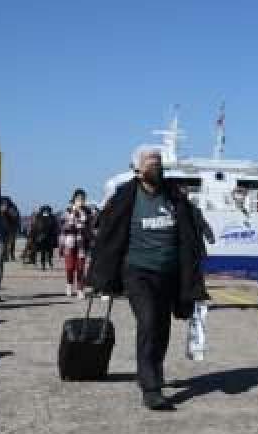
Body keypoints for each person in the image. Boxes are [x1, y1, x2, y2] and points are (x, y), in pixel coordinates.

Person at [88, 145, 209, 411]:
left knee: (162, 328)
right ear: (137, 169)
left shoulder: (174, 195)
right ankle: (151, 388)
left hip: (169, 273)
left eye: (158, 161)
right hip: (137, 271)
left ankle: (153, 369)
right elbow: (106, 233)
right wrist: (100, 276)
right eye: (149, 161)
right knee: (148, 321)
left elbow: (190, 228)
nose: (155, 164)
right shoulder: (125, 197)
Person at [60, 189, 94, 297]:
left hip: (82, 243)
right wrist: (74, 214)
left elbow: (90, 226)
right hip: (69, 242)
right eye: (78, 199)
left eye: (83, 199)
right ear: (74, 199)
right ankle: (69, 285)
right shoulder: (67, 211)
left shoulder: (88, 212)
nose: (81, 201)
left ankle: (80, 289)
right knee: (70, 267)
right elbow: (65, 227)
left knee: (80, 267)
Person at [32, 205, 59, 271]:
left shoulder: (52, 218)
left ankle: (49, 262)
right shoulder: (39, 217)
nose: (46, 212)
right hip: (42, 238)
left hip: (49, 237)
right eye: (45, 210)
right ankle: (43, 264)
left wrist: (55, 235)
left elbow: (55, 227)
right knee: (43, 252)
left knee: (49, 252)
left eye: (47, 210)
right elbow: (35, 228)